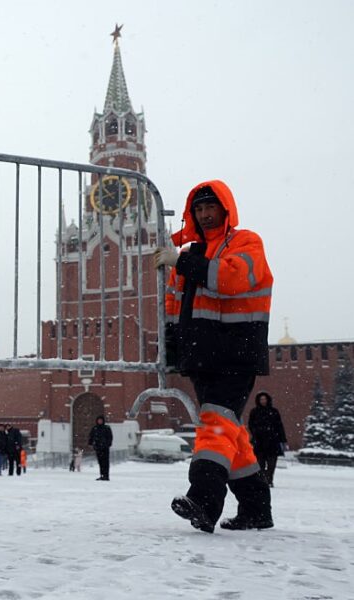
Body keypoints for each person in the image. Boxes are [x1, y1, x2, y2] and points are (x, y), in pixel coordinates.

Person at [154, 180, 273, 533]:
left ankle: (204, 501)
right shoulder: (189, 254)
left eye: (211, 208)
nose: (205, 215)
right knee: (229, 433)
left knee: (214, 425)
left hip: (237, 351)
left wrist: (184, 260)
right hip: (202, 355)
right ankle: (256, 508)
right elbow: (174, 307)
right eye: (199, 210)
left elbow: (233, 277)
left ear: (225, 210)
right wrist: (173, 348)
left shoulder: (245, 242)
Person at [248, 391, 287, 487]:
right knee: (260, 464)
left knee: (271, 464)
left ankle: (269, 480)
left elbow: (279, 425)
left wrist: (283, 440)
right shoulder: (254, 412)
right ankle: (263, 480)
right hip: (259, 442)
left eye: (264, 399)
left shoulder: (274, 412)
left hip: (272, 442)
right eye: (261, 399)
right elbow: (251, 425)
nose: (263, 401)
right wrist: (256, 433)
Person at [88, 415, 113, 480]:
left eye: (101, 420)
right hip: (98, 448)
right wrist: (91, 443)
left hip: (105, 448)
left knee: (105, 462)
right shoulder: (95, 428)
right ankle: (102, 475)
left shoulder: (107, 428)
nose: (100, 421)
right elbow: (91, 436)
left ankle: (106, 476)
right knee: (100, 462)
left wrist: (108, 444)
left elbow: (110, 437)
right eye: (99, 420)